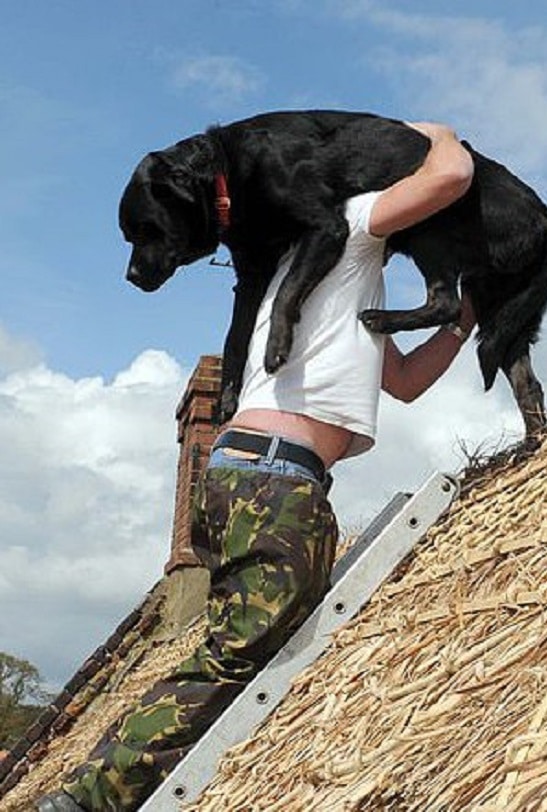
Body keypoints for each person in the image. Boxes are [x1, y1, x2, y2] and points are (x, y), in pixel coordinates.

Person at [37, 123, 475, 811]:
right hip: (277, 481)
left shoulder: (331, 282)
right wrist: (438, 133)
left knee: (247, 650)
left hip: (252, 477)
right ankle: (85, 801)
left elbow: (405, 382)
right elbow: (449, 175)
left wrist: (463, 317)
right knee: (233, 654)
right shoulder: (356, 226)